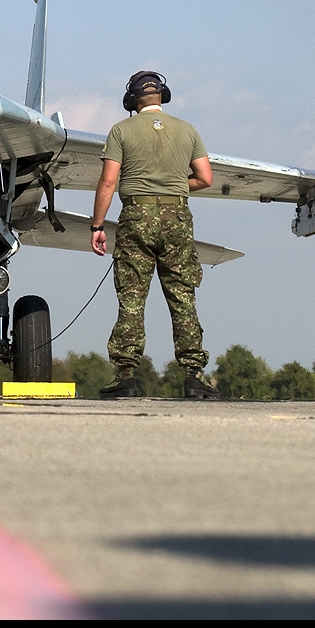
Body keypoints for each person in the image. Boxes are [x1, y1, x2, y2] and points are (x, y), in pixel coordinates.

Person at [89, 71, 219, 400]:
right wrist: (174, 184)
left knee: (132, 298)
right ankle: (193, 375)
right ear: (164, 96)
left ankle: (127, 375)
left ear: (131, 101)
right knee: (182, 296)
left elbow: (108, 182)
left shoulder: (121, 130)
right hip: (178, 217)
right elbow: (205, 177)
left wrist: (97, 226)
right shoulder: (187, 130)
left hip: (136, 215)